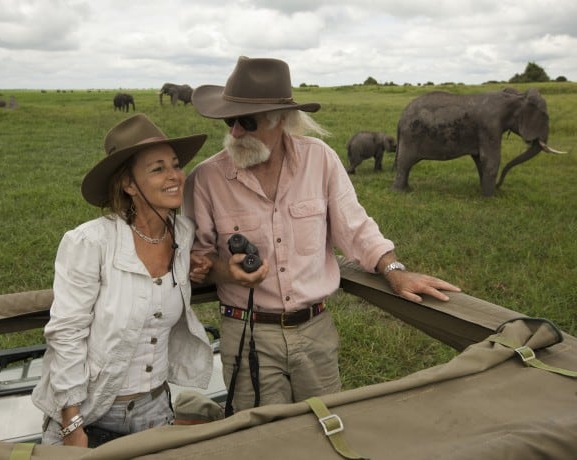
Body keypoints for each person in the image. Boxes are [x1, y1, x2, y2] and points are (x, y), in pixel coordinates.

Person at [183, 56, 461, 414]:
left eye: (247, 121)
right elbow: (200, 259)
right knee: (257, 441)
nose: (234, 131)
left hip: (314, 330)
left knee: (325, 428)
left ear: (281, 120)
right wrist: (227, 271)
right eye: (229, 119)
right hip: (246, 332)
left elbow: (356, 228)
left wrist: (394, 271)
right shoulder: (206, 179)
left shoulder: (321, 161)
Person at [32, 114, 214, 447]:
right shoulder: (90, 243)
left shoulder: (183, 234)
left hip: (157, 408)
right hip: (92, 410)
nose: (175, 176)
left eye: (175, 165)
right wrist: (72, 425)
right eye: (157, 169)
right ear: (129, 185)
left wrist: (194, 269)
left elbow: (164, 286)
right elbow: (67, 332)